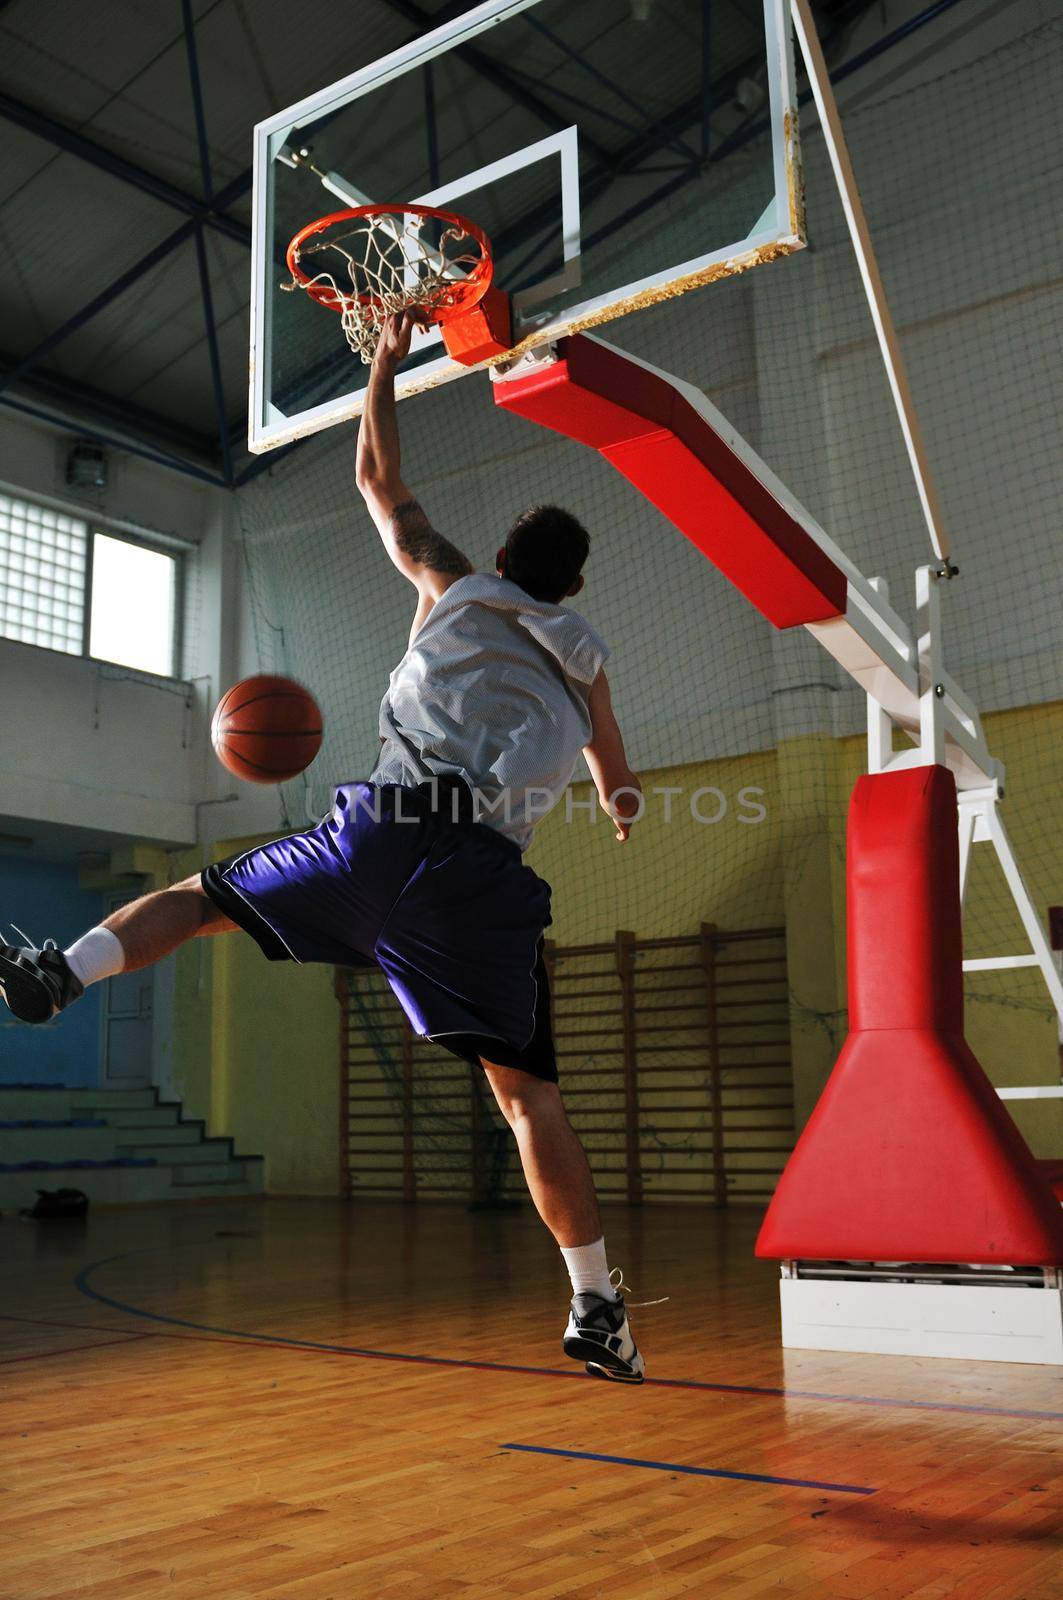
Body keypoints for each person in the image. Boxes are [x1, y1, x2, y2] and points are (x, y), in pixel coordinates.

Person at [0, 311, 647, 1384]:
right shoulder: (587, 661)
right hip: (478, 880)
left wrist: (386, 360)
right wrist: (617, 803)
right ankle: (591, 1302)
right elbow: (613, 773)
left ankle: (58, 972)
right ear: (569, 588)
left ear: (501, 562)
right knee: (528, 1100)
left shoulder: (450, 581)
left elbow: (373, 475)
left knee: (203, 896)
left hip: (375, 838)